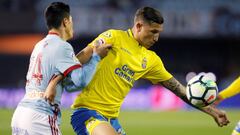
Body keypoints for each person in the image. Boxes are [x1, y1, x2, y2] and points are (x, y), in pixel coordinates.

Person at [47, 6, 230, 135]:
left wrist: (213, 112)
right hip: (87, 113)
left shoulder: (151, 60)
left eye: (159, 33)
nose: (156, 38)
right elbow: (81, 56)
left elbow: (180, 90)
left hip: (112, 119)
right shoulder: (114, 37)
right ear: (139, 26)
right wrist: (54, 82)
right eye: (153, 32)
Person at [11, 2, 111, 135]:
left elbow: (69, 86)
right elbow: (80, 80)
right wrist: (96, 57)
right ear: (65, 22)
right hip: (41, 115)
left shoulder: (39, 45)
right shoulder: (63, 46)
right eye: (71, 21)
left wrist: (55, 81)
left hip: (21, 114)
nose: (72, 25)